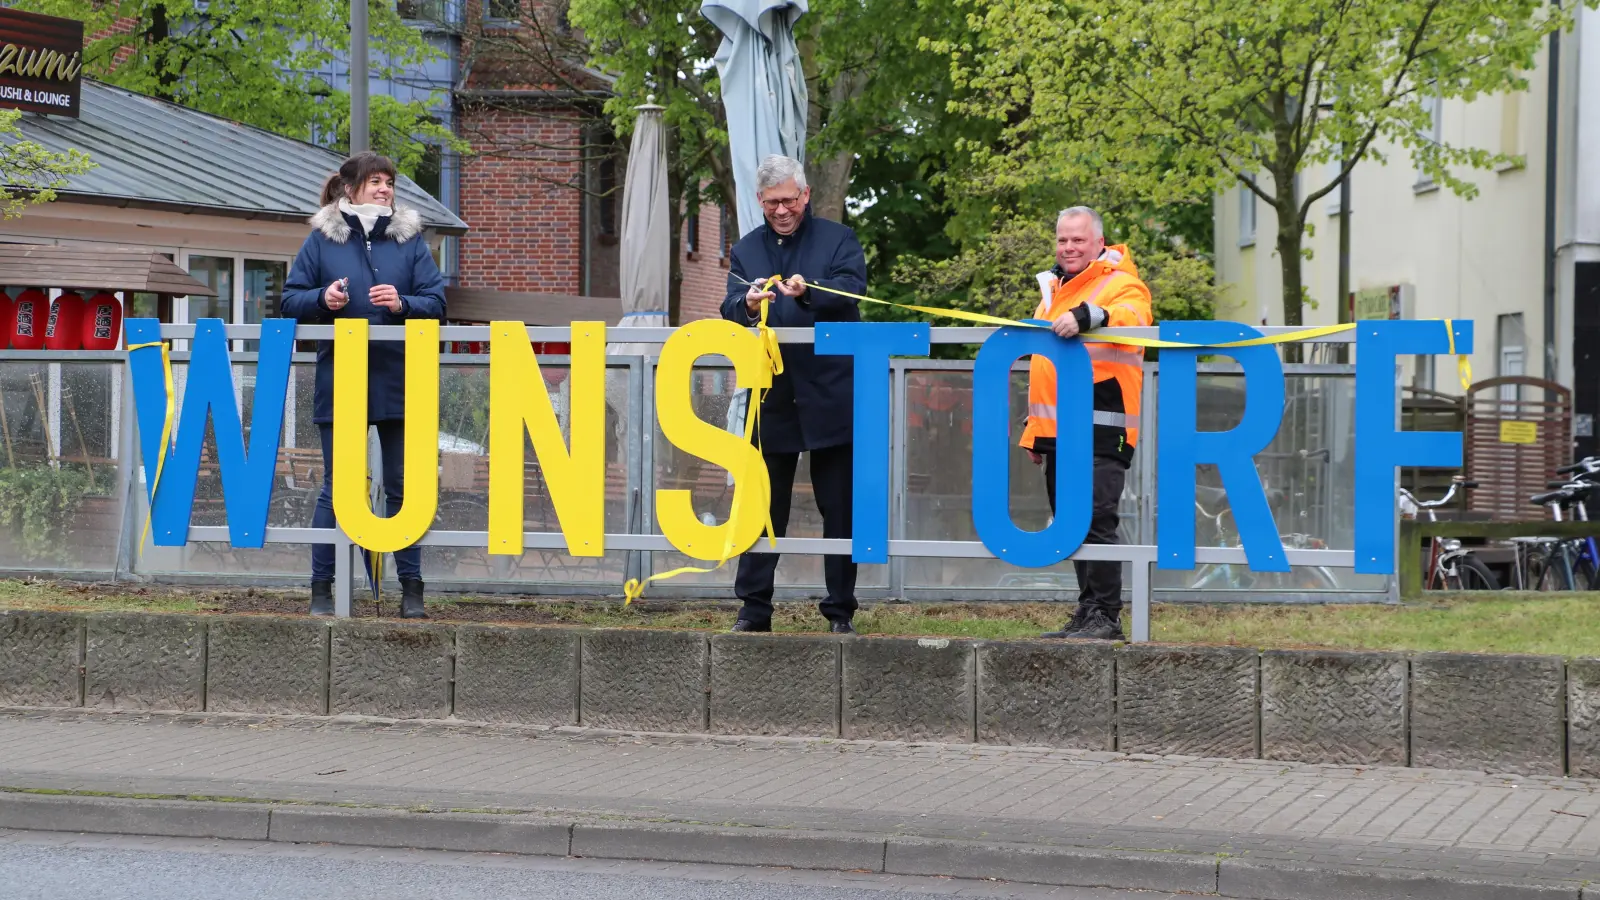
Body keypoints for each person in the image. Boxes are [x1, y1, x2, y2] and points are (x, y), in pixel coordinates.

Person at [282, 151, 446, 619]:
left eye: (390, 182)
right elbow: (289, 301)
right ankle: (320, 591)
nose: (385, 189)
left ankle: (411, 591)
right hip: (343, 381)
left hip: (400, 382)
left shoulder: (411, 241)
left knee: (402, 488)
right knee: (338, 490)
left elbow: (436, 302)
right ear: (350, 188)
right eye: (376, 181)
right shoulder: (321, 241)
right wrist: (323, 298)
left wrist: (403, 303)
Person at [719, 155, 868, 635]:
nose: (781, 210)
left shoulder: (839, 239)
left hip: (833, 394)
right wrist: (745, 304)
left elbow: (852, 290)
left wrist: (809, 292)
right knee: (762, 506)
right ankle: (754, 610)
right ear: (760, 202)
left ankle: (840, 612)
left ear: (805, 195)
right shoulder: (745, 250)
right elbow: (728, 306)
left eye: (789, 200)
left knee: (840, 507)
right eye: (771, 203)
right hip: (771, 397)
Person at [1022, 206, 1153, 640]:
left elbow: (1137, 317)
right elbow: (1043, 366)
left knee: (1097, 518)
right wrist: (1035, 431)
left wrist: (1090, 315)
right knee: (1070, 523)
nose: (1069, 247)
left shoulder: (1121, 283)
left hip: (1103, 425)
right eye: (1062, 239)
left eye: (1078, 240)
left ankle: (1106, 617)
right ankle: (1087, 610)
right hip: (1058, 429)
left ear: (1099, 243)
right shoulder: (1052, 290)